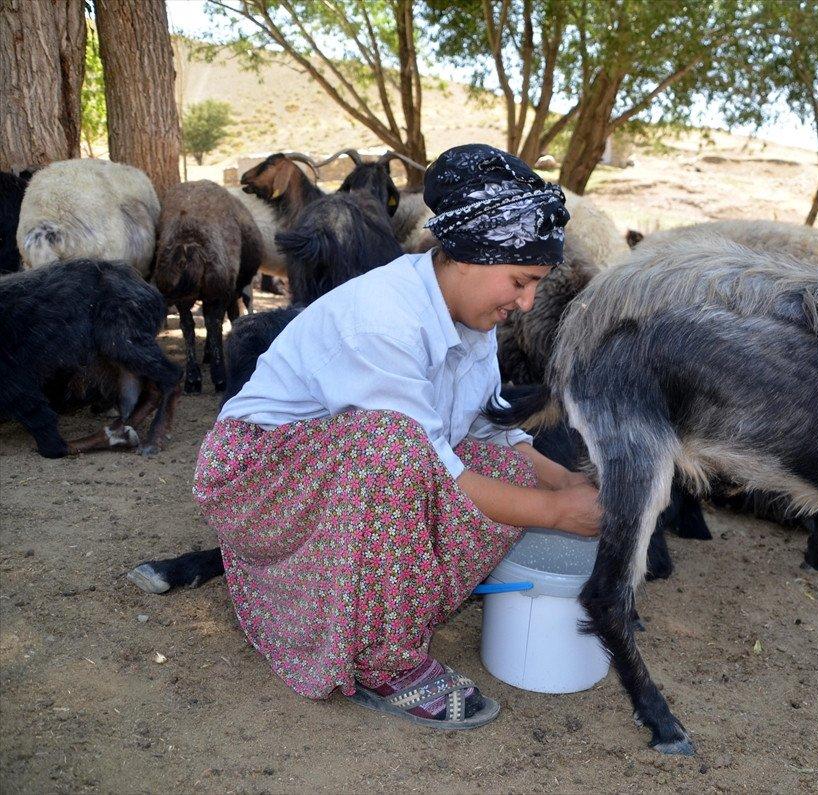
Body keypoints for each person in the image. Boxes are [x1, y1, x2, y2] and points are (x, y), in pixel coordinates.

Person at [194, 144, 602, 730]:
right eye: (520, 281)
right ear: (468, 258)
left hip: (344, 467)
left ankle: (395, 604)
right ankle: (382, 661)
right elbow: (428, 461)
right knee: (396, 447)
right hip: (255, 479)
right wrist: (558, 512)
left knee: (503, 468)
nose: (527, 302)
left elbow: (485, 426)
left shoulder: (472, 321)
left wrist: (564, 482)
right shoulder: (382, 318)